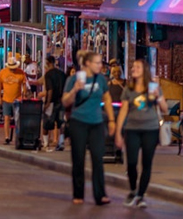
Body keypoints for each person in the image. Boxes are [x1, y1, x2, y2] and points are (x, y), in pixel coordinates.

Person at [63, 50, 116, 206]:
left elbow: (106, 98)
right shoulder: (74, 79)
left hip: (96, 122)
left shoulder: (101, 80)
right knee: (78, 158)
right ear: (87, 63)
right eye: (97, 63)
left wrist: (111, 120)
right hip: (78, 121)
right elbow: (66, 101)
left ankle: (100, 195)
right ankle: (78, 194)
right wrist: (75, 90)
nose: (100, 66)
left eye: (101, 63)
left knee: (98, 158)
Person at [115, 59, 168, 208]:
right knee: (131, 162)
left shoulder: (153, 87)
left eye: (137, 67)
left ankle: (140, 195)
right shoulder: (129, 89)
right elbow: (123, 111)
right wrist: (118, 132)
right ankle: (133, 189)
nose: (133, 69)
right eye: (133, 67)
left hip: (150, 130)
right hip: (132, 129)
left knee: (147, 163)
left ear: (144, 70)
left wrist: (158, 96)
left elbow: (165, 109)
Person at [0, 55, 28, 144]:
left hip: (17, 99)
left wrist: (24, 94)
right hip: (6, 99)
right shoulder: (3, 72)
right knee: (6, 118)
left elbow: (24, 84)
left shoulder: (20, 72)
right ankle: (7, 137)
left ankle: (18, 137)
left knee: (17, 119)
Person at [42, 55, 67, 152]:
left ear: (48, 63)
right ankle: (60, 143)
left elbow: (50, 89)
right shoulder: (62, 74)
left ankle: (46, 143)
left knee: (46, 123)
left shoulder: (48, 75)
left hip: (52, 102)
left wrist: (47, 103)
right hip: (61, 101)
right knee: (60, 123)